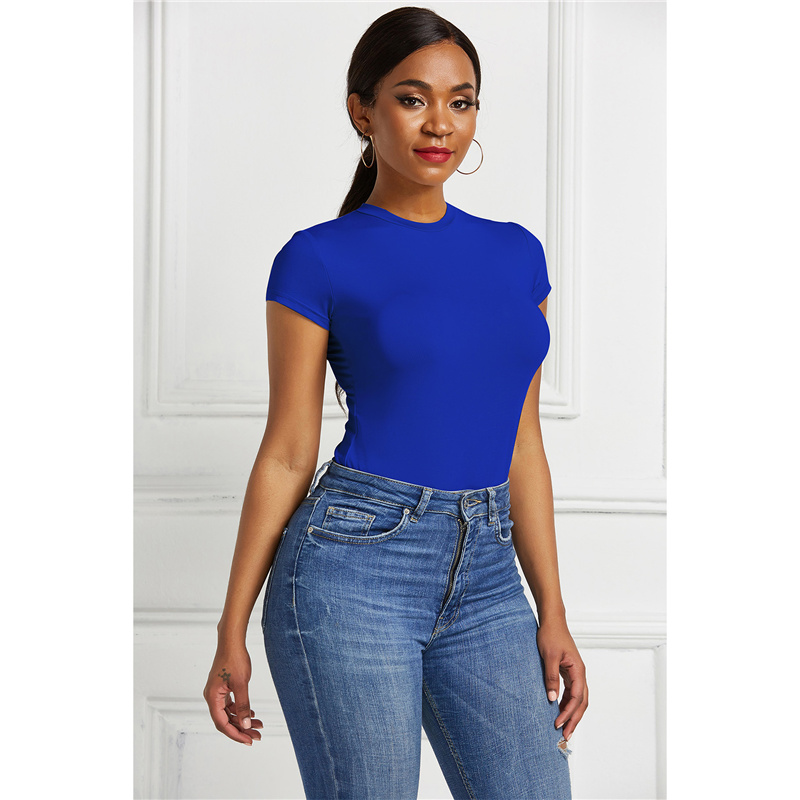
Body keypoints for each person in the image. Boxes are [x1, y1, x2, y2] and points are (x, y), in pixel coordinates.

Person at [203, 6, 587, 798]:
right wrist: (230, 626)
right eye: (413, 98)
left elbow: (523, 444)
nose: (440, 123)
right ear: (363, 111)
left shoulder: (518, 255)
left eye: (461, 101)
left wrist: (551, 609)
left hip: (489, 575)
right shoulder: (316, 259)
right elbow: (288, 451)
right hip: (352, 569)